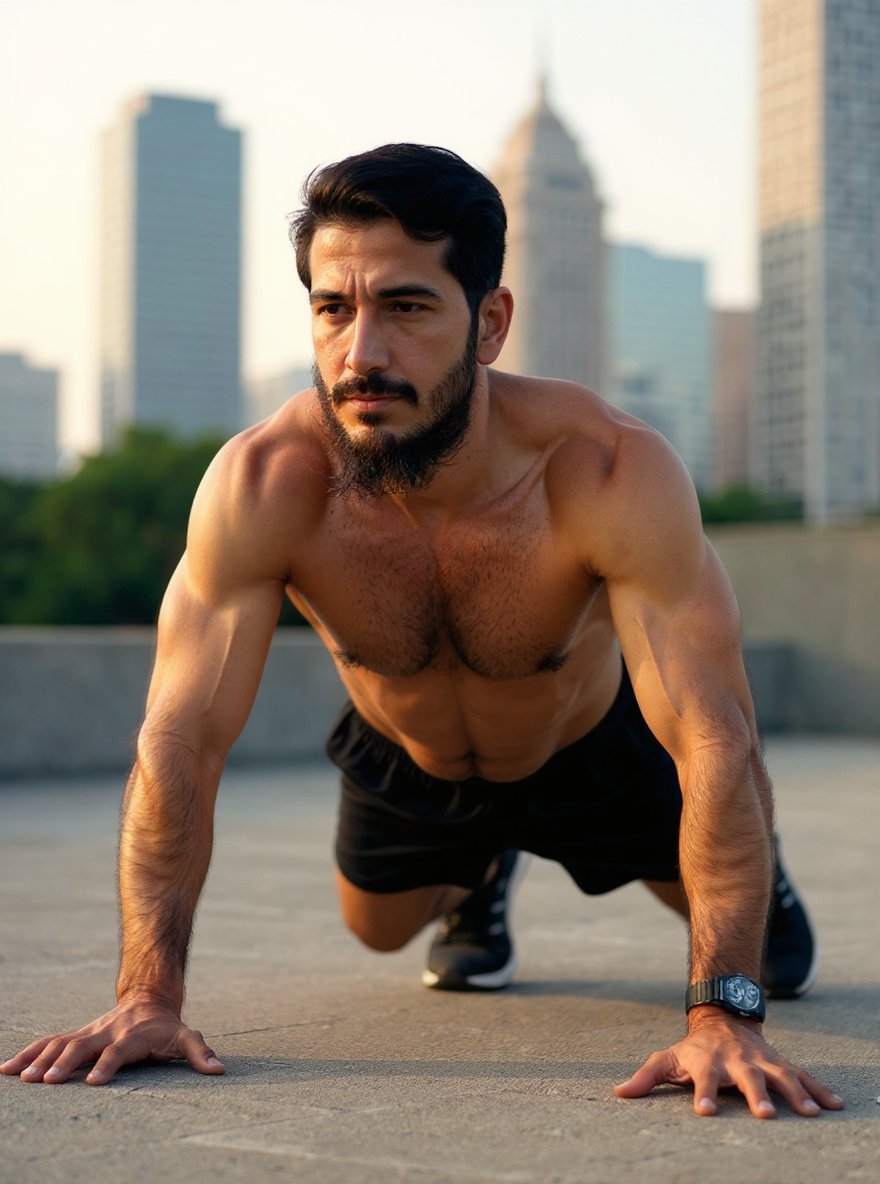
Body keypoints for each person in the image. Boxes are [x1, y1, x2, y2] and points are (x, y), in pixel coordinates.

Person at [1, 144, 842, 1120]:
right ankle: (477, 873)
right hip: (411, 757)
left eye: (404, 307)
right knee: (378, 931)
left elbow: (712, 735)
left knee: (776, 963)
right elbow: (178, 739)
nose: (361, 353)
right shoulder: (265, 485)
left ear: (488, 322)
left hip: (592, 748)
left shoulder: (604, 471)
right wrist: (146, 996)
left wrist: (722, 1010)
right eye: (332, 308)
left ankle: (753, 874)